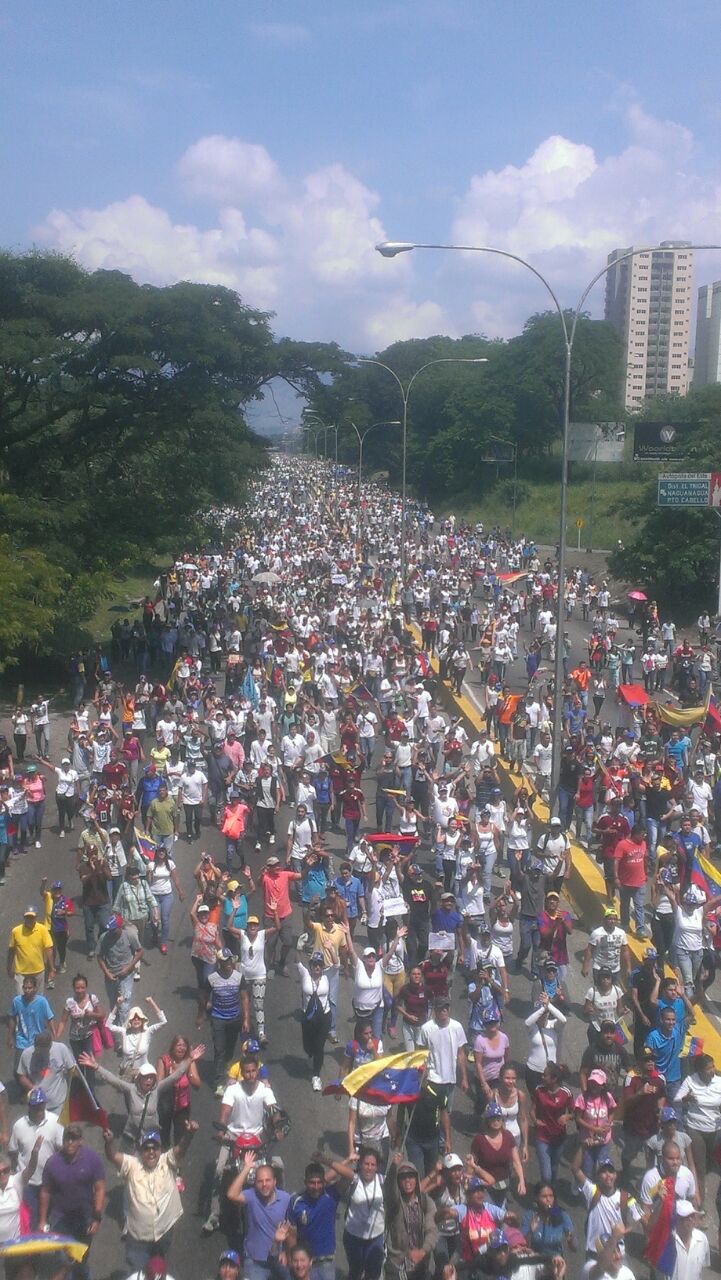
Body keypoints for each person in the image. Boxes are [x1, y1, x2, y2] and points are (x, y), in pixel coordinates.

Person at [203, 1053, 285, 1236]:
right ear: (242, 1072)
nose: (250, 1075)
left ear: (257, 1071)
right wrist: (221, 1130)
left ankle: (280, 1210)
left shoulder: (265, 1090)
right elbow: (225, 1111)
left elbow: (273, 1110)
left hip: (258, 1136)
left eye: (253, 1071)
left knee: (278, 1166)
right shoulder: (232, 1090)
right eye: (246, 1072)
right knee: (219, 1170)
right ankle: (214, 1215)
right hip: (233, 1136)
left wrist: (278, 1127)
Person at [103, 1122, 199, 1270]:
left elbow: (181, 1150)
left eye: (155, 1147)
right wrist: (109, 1143)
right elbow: (112, 1156)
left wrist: (189, 1134)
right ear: (141, 1151)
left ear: (160, 1149)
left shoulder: (167, 1161)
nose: (151, 1152)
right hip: (138, 1239)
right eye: (147, 1148)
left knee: (158, 1272)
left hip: (164, 1234)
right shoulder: (132, 1165)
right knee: (138, 1273)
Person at [79, 1043, 204, 1145]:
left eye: (151, 1077)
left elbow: (176, 1076)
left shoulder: (158, 1089)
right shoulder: (130, 1089)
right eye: (146, 1077)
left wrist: (190, 1059)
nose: (149, 1080)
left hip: (152, 1136)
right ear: (139, 1079)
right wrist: (96, 1066)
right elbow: (113, 1080)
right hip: (131, 1137)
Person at [38, 1125, 105, 1280]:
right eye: (67, 1138)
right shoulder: (53, 1162)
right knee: (64, 1260)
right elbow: (45, 1191)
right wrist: (42, 1220)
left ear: (80, 1141)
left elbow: (100, 1188)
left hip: (85, 1218)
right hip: (60, 1219)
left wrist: (97, 1217)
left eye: (73, 1139)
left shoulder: (92, 1159)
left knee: (81, 1259)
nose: (69, 1142)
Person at [314, 1145, 385, 1280]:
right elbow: (342, 1171)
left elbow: (397, 1183)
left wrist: (395, 1165)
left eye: (372, 1165)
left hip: (376, 1236)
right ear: (360, 1164)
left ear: (377, 1167)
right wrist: (324, 1159)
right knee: (356, 1271)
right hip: (353, 1236)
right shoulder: (355, 1179)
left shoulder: (382, 1181)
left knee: (373, 1273)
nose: (369, 1168)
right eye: (366, 1164)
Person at [226, 1156, 291, 1280]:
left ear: (275, 1181)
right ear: (255, 1183)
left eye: (268, 1180)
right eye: (260, 1181)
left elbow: (292, 1228)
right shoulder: (251, 1196)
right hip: (254, 1261)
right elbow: (231, 1194)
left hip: (278, 1258)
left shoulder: (285, 1199)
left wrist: (287, 1252)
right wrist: (246, 1169)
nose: (264, 1184)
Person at [8, 1088, 63, 1227]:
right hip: (28, 1184)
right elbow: (13, 1151)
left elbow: (61, 1149)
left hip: (49, 1182)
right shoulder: (19, 1126)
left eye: (42, 1104)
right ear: (29, 1106)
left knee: (50, 1219)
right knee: (29, 1220)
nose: (39, 1108)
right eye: (36, 1105)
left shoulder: (55, 1121)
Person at [674, 1052, 721, 1202]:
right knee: (699, 1167)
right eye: (708, 1068)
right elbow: (676, 1100)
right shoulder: (690, 1081)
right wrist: (686, 1099)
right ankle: (699, 1205)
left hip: (715, 1130)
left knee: (709, 1163)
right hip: (695, 1128)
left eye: (713, 1067)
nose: (712, 1070)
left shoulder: (719, 1082)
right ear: (700, 1071)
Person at [383, 1154, 438, 1280]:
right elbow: (389, 1189)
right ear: (398, 1181)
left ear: (416, 1178)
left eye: (411, 1176)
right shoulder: (394, 1202)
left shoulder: (426, 1202)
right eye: (403, 1177)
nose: (407, 1180)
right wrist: (393, 1167)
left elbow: (432, 1229)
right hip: (396, 1264)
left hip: (421, 1265)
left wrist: (423, 1251)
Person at [285, 1161, 340, 1280]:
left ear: (324, 1182)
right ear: (305, 1182)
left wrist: (326, 1160)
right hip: (303, 1262)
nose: (316, 1187)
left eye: (319, 1183)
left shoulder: (331, 1195)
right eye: (312, 1183)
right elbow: (291, 1234)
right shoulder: (296, 1201)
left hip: (326, 1261)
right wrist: (291, 1261)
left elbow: (349, 1176)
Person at [418, 996, 469, 1110]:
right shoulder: (426, 1029)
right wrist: (422, 1077)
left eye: (446, 1007)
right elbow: (421, 1054)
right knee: (432, 1111)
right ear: (435, 1010)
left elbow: (461, 1054)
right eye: (441, 1008)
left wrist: (464, 1078)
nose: (444, 1010)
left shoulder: (457, 1027)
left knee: (447, 1111)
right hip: (432, 1078)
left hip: (450, 1079)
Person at [156, 1033, 201, 1147]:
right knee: (163, 1135)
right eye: (178, 1045)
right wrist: (172, 1077)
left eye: (184, 1045)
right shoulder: (164, 1060)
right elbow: (158, 1085)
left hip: (182, 1107)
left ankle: (176, 1161)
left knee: (180, 1137)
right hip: (165, 1106)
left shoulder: (189, 1062)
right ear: (173, 1047)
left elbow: (197, 1085)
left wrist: (188, 1072)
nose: (181, 1048)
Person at [97, 914, 143, 1024]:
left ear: (120, 927)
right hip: (111, 976)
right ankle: (117, 1029)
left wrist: (129, 967)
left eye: (114, 930)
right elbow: (99, 956)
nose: (111, 932)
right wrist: (107, 973)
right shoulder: (104, 937)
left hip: (126, 976)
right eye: (110, 929)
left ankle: (124, 1031)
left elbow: (140, 951)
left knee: (124, 1006)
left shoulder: (129, 935)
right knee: (114, 1006)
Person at [17, 1031, 75, 1116]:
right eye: (40, 1050)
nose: (43, 1052)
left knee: (59, 1128)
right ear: (35, 1046)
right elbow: (21, 1075)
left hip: (58, 1104)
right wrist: (32, 1088)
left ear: (50, 1045)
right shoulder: (26, 1054)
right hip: (38, 1106)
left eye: (46, 1050)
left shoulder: (61, 1049)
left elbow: (72, 1070)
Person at [105, 997, 167, 1075]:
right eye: (133, 1018)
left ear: (142, 1019)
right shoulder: (124, 1032)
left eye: (139, 1018)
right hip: (127, 1073)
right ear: (130, 1020)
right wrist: (117, 1005)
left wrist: (152, 1002)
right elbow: (108, 1025)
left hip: (143, 1074)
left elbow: (163, 1022)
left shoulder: (147, 1031)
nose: (136, 1020)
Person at [297, 952, 331, 1092]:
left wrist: (330, 948)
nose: (317, 967)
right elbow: (297, 960)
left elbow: (336, 963)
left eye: (319, 965)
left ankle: (316, 1076)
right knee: (308, 1045)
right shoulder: (305, 974)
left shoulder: (327, 976)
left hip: (324, 1017)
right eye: (315, 964)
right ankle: (310, 1054)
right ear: (310, 966)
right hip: (308, 1017)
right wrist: (299, 948)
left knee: (319, 1046)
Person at [9, 975, 55, 1068]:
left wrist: (53, 1034)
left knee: (39, 1068)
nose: (27, 990)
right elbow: (12, 1018)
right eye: (25, 988)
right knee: (18, 1070)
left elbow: (50, 1018)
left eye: (29, 988)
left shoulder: (42, 1001)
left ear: (35, 988)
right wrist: (10, 1036)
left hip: (38, 1041)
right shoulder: (17, 1001)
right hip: (22, 1040)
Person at [520, 1182, 576, 1258]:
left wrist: (570, 1240)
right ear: (537, 1198)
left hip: (556, 1260)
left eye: (551, 1196)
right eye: (544, 1196)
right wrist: (531, 1231)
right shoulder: (530, 1216)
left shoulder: (561, 1214)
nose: (548, 1199)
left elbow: (574, 1248)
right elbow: (522, 1246)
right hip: (535, 1259)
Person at [0, 1141, 41, 1244]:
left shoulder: (15, 1181)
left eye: (5, 1170)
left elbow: (30, 1170)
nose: (2, 1174)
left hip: (15, 1244)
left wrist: (35, 1153)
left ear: (10, 1170)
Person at [7, 905, 54, 994]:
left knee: (38, 999)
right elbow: (11, 950)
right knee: (20, 998)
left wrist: (51, 969)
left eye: (31, 917)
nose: (29, 919)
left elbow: (49, 949)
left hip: (38, 971)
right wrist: (9, 967)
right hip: (21, 972)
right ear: (24, 917)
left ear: (35, 917)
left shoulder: (42, 930)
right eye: (27, 917)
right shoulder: (16, 931)